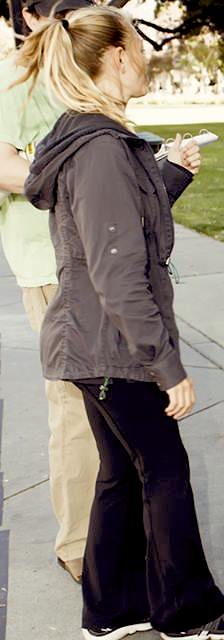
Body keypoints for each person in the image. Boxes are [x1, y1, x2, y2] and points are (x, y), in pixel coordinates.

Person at [19, 7, 224, 639]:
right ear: (118, 56)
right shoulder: (98, 147)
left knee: (121, 473)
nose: (148, 55)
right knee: (165, 471)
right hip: (111, 349)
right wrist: (167, 365)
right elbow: (117, 271)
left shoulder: (95, 138)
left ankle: (111, 610)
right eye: (140, 43)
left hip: (94, 346)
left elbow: (120, 232)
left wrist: (170, 175)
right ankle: (189, 613)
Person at [0, 0, 96, 584]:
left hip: (98, 260)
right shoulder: (20, 80)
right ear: (32, 16)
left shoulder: (80, 75)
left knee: (110, 403)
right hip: (48, 262)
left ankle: (114, 529)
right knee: (74, 404)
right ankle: (80, 546)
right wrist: (66, 175)